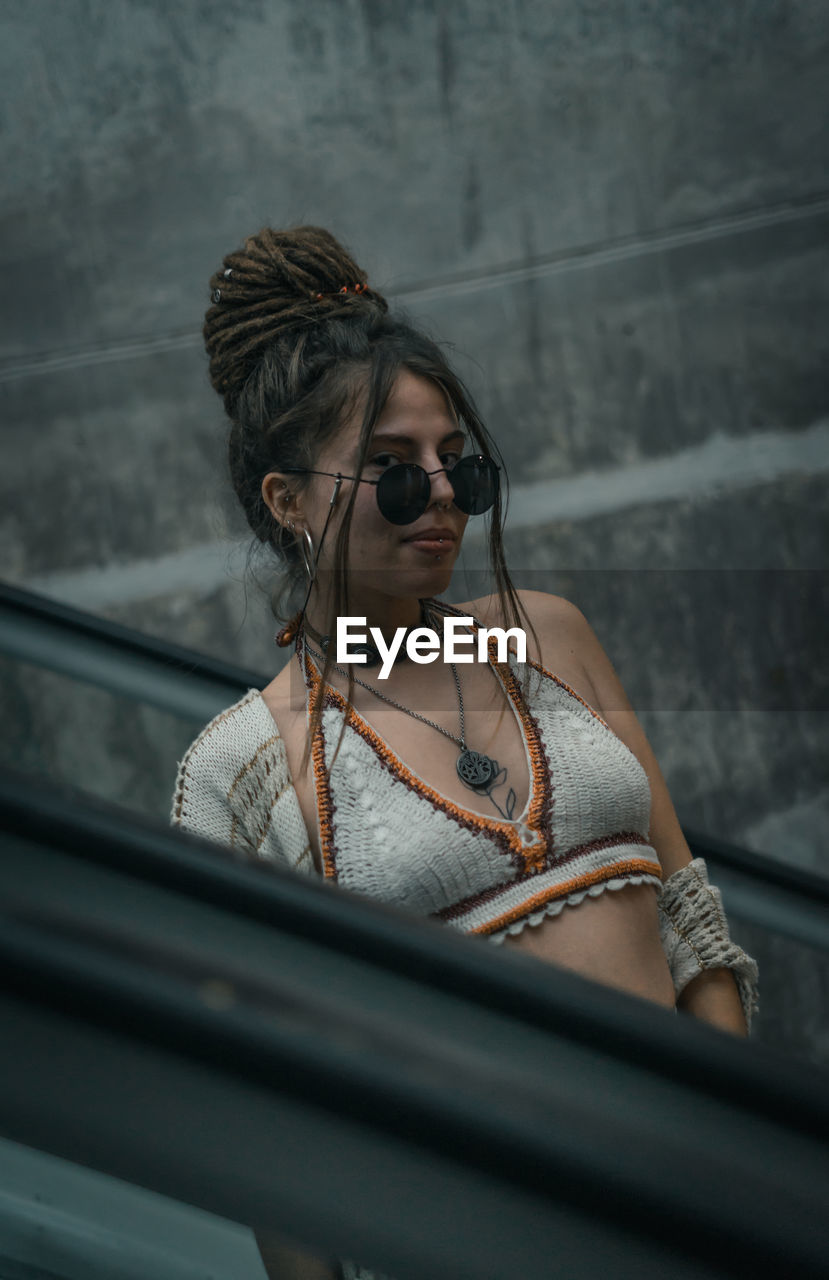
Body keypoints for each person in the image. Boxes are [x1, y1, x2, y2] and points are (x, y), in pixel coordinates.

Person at [170, 225, 758, 1280]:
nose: (438, 493)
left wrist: (731, 1163)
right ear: (287, 499)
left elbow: (688, 913)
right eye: (392, 472)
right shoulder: (242, 768)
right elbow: (275, 1125)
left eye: (458, 465)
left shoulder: (547, 636)